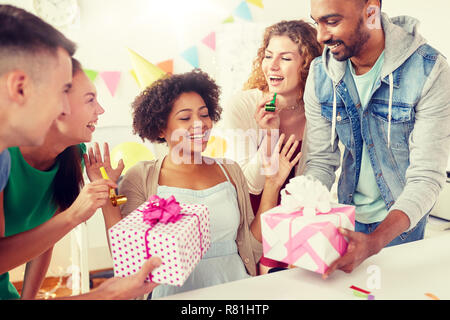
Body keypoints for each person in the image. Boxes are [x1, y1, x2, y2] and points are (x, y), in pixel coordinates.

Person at [85, 69, 301, 299]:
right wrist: (107, 195)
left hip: (234, 289)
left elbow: (253, 244)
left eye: (204, 114)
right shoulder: (141, 177)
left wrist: (272, 184)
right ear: (160, 128)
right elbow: (127, 255)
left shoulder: (230, 171)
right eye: (185, 118)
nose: (200, 124)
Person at [0, 5, 160, 300]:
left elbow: (39, 241)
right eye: (61, 92)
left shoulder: (11, 161)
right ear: (19, 87)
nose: (61, 108)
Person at [304, 0, 450, 278]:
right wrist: (302, 225)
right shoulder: (320, 74)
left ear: (371, 12)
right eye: (316, 22)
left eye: (332, 22)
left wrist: (375, 241)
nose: (321, 36)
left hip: (401, 223)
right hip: (345, 218)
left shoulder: (429, 70)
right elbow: (321, 162)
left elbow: (427, 177)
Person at [222, 20, 322, 274]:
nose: (272, 66)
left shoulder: (319, 110)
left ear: (306, 64)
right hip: (254, 219)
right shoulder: (242, 107)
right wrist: (269, 135)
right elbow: (249, 185)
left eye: (285, 58)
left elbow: (320, 179)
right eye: (268, 56)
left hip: (300, 219)